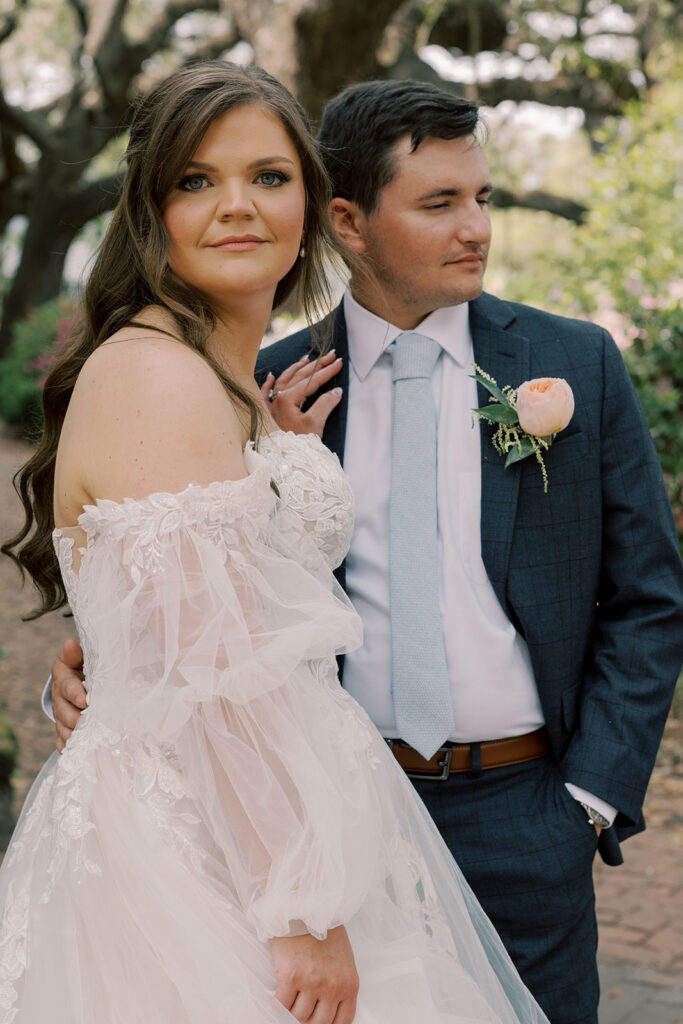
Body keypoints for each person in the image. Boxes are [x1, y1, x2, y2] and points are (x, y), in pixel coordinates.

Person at [42, 76, 683, 1023]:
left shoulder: (574, 361)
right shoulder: (257, 377)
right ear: (345, 218)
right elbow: (185, 595)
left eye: (483, 199)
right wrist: (98, 662)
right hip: (331, 822)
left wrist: (586, 800)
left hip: (525, 810)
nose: (476, 228)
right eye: (438, 203)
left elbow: (649, 599)